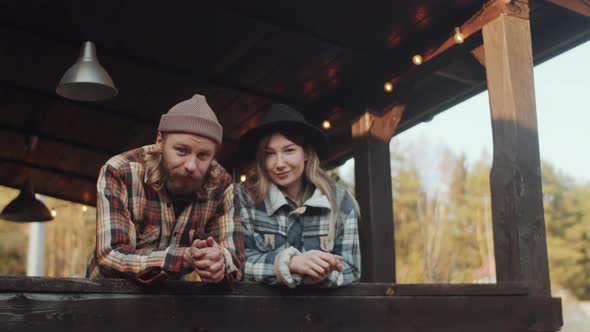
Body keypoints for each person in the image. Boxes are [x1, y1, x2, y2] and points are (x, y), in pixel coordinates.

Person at [86, 94, 244, 284]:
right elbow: (111, 256)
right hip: (104, 299)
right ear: (160, 141)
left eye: (203, 155)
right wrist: (182, 257)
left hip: (169, 303)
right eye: (182, 151)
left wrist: (219, 262)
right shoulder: (120, 171)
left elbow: (235, 261)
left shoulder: (223, 185)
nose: (191, 166)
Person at [237, 103, 360, 288]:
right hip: (258, 314)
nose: (279, 163)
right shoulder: (243, 198)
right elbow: (236, 263)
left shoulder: (340, 200)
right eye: (269, 154)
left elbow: (351, 269)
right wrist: (290, 264)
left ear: (307, 154)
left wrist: (319, 275)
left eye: (289, 150)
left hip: (322, 314)